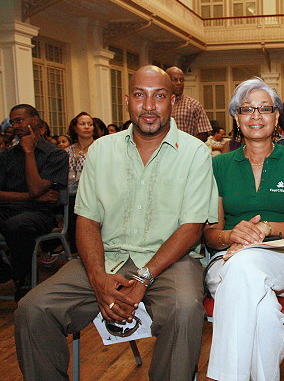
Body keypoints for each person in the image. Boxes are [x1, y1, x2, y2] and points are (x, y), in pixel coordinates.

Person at [14, 65, 219, 381]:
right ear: (126, 101)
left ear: (172, 101)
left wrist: (144, 277)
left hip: (170, 262)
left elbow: (191, 228)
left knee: (185, 308)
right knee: (33, 309)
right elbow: (87, 220)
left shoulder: (195, 153)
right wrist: (97, 278)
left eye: (159, 96)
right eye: (139, 95)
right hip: (105, 256)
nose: (148, 106)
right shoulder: (102, 150)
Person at [203, 78, 284, 381]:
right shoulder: (219, 165)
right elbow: (211, 234)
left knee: (245, 264)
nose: (256, 115)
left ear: (277, 117)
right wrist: (231, 236)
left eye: (264, 108)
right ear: (236, 118)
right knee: (263, 310)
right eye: (247, 109)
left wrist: (263, 229)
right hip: (226, 258)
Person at [0, 104, 68, 300]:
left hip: (40, 213)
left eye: (19, 120)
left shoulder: (55, 154)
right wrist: (29, 196)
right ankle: (5, 269)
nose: (15, 125)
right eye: (13, 122)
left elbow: (36, 188)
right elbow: (32, 193)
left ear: (35, 121)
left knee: (16, 224)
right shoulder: (6, 155)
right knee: (11, 222)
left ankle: (23, 278)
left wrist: (29, 151)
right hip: (8, 209)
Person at [64, 112, 101, 253]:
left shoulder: (100, 147)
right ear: (75, 127)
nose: (87, 127)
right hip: (72, 194)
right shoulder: (68, 151)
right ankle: (75, 250)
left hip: (94, 193)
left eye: (90, 124)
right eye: (82, 124)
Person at [166, 66, 212, 141]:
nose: (179, 83)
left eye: (181, 80)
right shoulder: (158, 105)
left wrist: (188, 144)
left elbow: (203, 133)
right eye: (175, 80)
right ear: (166, 81)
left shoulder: (194, 105)